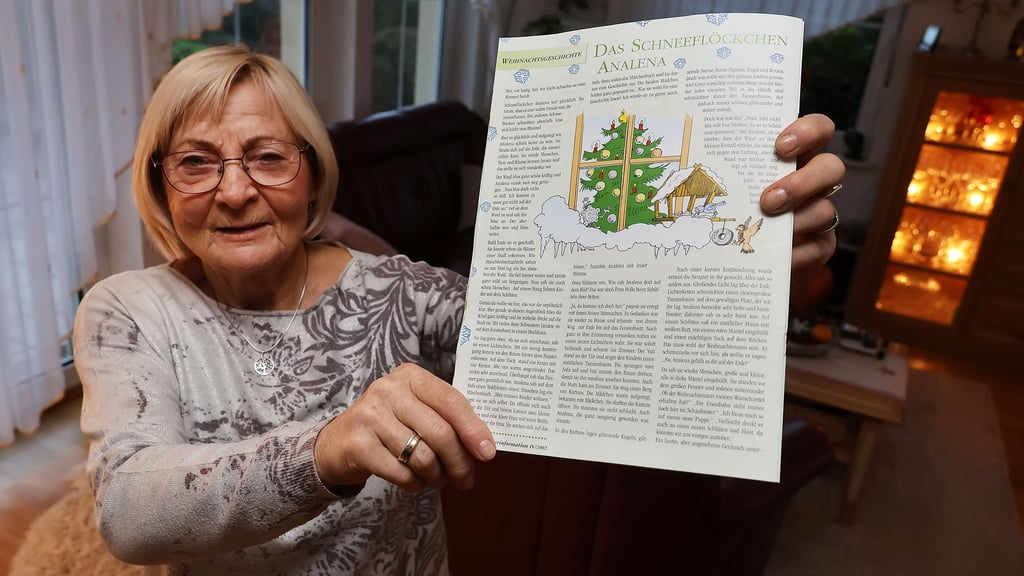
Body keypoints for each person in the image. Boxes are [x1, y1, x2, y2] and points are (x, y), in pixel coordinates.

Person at [73, 45, 845, 575]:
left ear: (311, 174)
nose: (236, 190)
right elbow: (128, 510)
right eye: (196, 162)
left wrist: (748, 264)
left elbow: (584, 345)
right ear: (161, 185)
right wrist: (328, 448)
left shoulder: (404, 293)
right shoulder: (129, 310)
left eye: (268, 156)